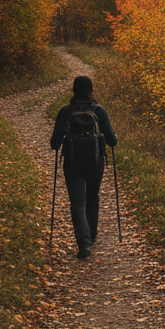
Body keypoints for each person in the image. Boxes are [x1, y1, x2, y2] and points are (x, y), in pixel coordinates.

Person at [50, 75, 117, 259]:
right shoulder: (99, 110)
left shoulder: (66, 111)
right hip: (96, 162)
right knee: (93, 196)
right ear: (91, 91)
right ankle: (92, 235)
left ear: (73, 90)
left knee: (77, 203)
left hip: (72, 164)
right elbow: (112, 141)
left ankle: (84, 245)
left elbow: (54, 144)